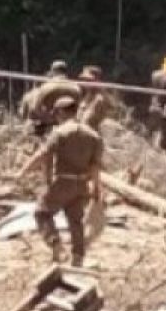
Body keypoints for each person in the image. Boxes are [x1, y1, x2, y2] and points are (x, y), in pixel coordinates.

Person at [14, 96, 103, 267]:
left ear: (62, 112)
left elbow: (43, 155)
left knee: (42, 212)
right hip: (82, 184)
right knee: (75, 221)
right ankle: (78, 257)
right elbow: (95, 166)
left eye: (56, 113)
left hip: (63, 182)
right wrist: (96, 188)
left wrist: (22, 172)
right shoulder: (93, 136)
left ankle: (55, 244)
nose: (55, 117)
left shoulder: (60, 132)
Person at [22, 60, 82, 138]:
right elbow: (79, 107)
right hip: (70, 123)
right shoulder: (76, 87)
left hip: (48, 123)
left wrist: (48, 118)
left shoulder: (47, 86)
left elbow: (35, 107)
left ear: (53, 71)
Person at [77, 65, 115, 131]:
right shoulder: (87, 95)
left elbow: (88, 120)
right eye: (84, 79)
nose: (85, 82)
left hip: (89, 133)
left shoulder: (99, 99)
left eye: (88, 80)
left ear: (96, 81)